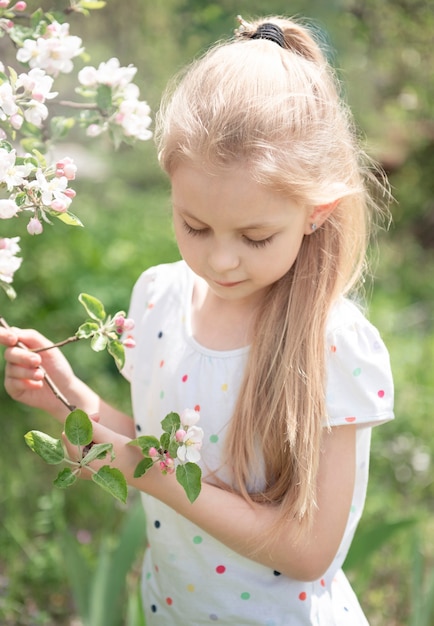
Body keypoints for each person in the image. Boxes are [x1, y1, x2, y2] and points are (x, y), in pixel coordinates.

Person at [0, 15, 394, 626]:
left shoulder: (331, 344)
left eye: (256, 236)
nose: (220, 259)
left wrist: (141, 472)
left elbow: (309, 552)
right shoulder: (159, 297)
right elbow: (171, 447)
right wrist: (68, 402)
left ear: (316, 213)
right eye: (195, 226)